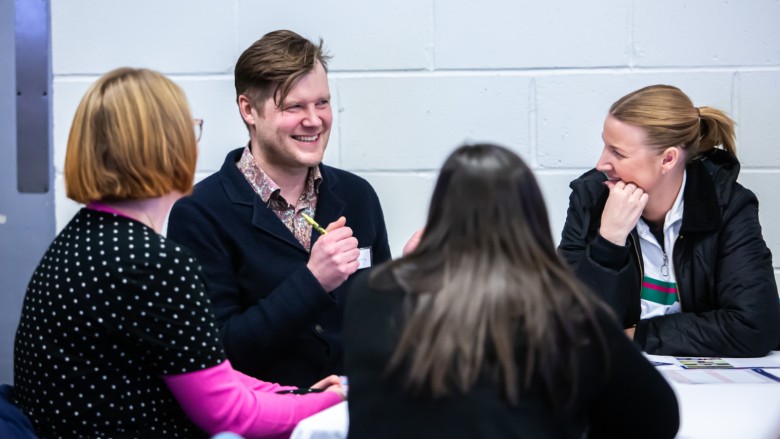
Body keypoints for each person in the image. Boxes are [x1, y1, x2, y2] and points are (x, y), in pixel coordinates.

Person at [13, 67, 344, 438]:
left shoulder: (79, 240)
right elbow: (229, 415)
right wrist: (338, 400)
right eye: (188, 130)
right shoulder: (152, 263)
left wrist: (299, 396)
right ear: (165, 148)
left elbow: (207, 371)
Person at [344, 144, 679, 438]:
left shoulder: (371, 294)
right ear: (531, 218)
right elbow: (659, 419)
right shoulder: (563, 307)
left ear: (441, 212)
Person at [167, 30, 391, 387]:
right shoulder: (199, 213)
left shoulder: (358, 196)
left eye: (322, 103)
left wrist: (416, 283)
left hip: (353, 416)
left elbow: (383, 325)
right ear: (248, 110)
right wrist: (313, 281)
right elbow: (218, 354)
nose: (315, 120)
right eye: (294, 107)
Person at [558, 84, 780, 357]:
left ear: (668, 159)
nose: (602, 163)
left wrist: (636, 336)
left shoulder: (728, 205)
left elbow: (755, 326)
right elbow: (568, 325)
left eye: (618, 152)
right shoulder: (590, 198)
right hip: (622, 376)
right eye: (605, 146)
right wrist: (609, 241)